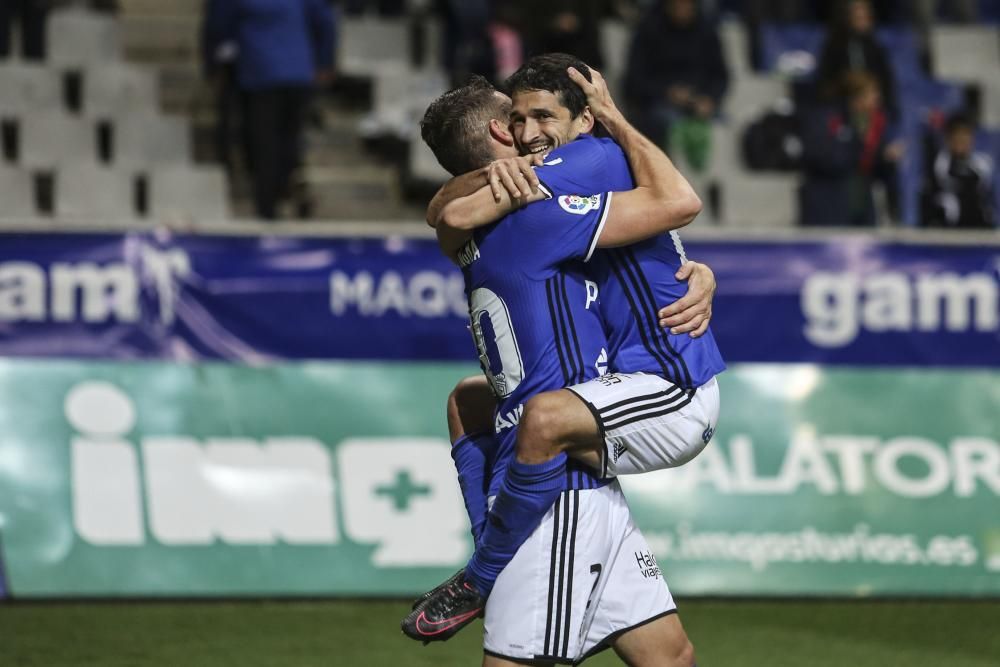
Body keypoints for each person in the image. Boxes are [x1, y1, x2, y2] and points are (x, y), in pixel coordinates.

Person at [405, 55, 721, 665]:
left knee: (491, 405)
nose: (529, 131)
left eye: (539, 117)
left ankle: (484, 562)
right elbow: (677, 201)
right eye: (516, 118)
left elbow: (447, 215)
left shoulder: (501, 220)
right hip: (566, 478)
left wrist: (701, 275)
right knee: (670, 658)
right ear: (502, 135)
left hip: (591, 436)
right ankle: (490, 559)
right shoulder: (555, 194)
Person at [203, 0, 335, 220]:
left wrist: (212, 63)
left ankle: (268, 204)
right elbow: (325, 21)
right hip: (298, 74)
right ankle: (287, 183)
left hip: (261, 75)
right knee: (288, 138)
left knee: (265, 143)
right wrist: (324, 61)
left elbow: (219, 26)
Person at [624, 0, 729, 173]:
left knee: (720, 126)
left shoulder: (707, 31)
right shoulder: (649, 30)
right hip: (656, 103)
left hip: (699, 101)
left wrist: (710, 98)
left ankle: (710, 187)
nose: (683, 9)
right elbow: (635, 79)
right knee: (661, 122)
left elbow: (721, 76)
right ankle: (667, 181)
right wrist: (667, 92)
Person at [799, 71, 903, 226]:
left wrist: (885, 157)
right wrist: (863, 148)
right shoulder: (825, 118)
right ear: (856, 96)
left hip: (861, 204)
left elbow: (876, 171)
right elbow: (827, 159)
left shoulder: (872, 123)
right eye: (872, 93)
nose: (877, 98)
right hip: (828, 204)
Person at [815, 0, 898, 120]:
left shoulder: (876, 48)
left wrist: (873, 95)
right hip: (842, 108)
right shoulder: (834, 46)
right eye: (857, 16)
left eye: (865, 16)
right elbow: (824, 86)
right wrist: (849, 85)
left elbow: (887, 85)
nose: (862, 20)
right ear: (848, 17)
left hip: (874, 112)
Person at [921, 114, 995, 230]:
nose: (962, 140)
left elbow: (988, 200)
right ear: (948, 139)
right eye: (957, 135)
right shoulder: (938, 164)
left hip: (979, 232)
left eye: (966, 135)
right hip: (947, 232)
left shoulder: (982, 165)